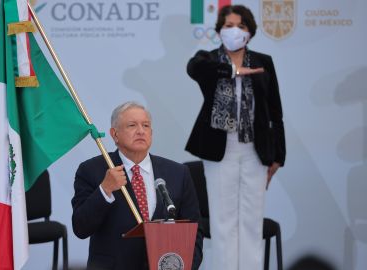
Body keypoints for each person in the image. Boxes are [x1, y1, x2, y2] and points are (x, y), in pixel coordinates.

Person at [185, 4, 286, 270]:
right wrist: (233, 71)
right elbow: (193, 69)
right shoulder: (208, 60)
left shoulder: (264, 62)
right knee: (223, 220)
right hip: (220, 150)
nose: (234, 31)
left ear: (250, 33)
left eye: (240, 26)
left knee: (251, 220)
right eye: (228, 26)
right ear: (219, 31)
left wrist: (278, 157)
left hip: (256, 150)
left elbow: (276, 112)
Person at [72, 101, 203, 270]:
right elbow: (81, 227)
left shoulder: (178, 173)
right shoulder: (92, 170)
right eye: (132, 125)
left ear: (151, 133)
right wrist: (105, 190)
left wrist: (185, 266)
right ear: (115, 134)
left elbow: (194, 231)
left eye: (146, 125)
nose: (141, 131)